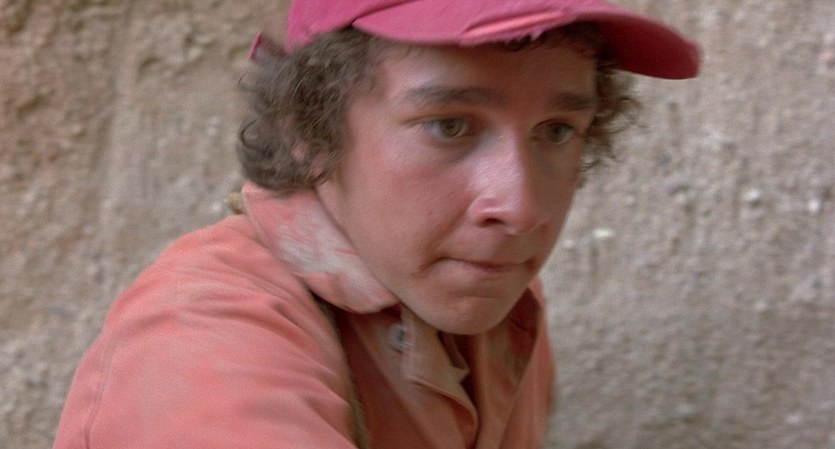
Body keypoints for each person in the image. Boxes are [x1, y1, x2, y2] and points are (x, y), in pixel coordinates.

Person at [53, 1, 699, 448]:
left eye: (556, 131)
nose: (521, 207)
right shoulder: (206, 340)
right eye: (449, 125)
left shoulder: (495, 294)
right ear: (310, 130)